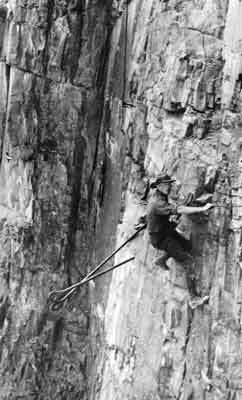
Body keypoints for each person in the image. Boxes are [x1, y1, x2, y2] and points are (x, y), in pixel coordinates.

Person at [146, 174, 213, 306]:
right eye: (165, 184)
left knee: (188, 246)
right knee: (188, 262)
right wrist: (202, 208)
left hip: (166, 232)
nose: (168, 186)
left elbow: (174, 208)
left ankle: (162, 259)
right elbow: (179, 209)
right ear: (158, 186)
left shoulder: (161, 197)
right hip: (162, 239)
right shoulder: (157, 202)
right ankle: (193, 299)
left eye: (168, 184)